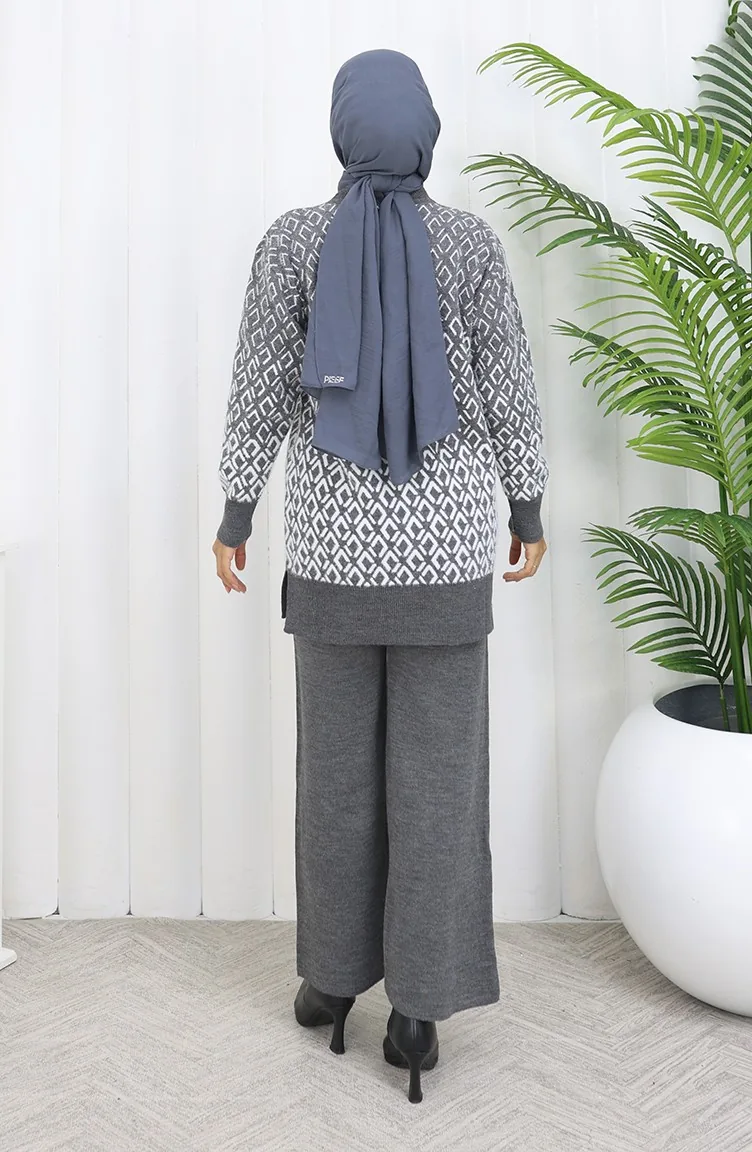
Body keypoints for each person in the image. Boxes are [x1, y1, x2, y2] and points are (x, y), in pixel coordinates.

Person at [212, 47, 548, 1105]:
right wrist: (527, 504)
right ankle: (417, 1010)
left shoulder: (292, 242)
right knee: (438, 789)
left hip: (331, 558)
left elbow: (259, 387)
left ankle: (330, 981)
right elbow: (508, 378)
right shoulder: (470, 244)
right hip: (445, 558)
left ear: (341, 128)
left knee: (336, 784)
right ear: (425, 131)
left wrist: (235, 511)